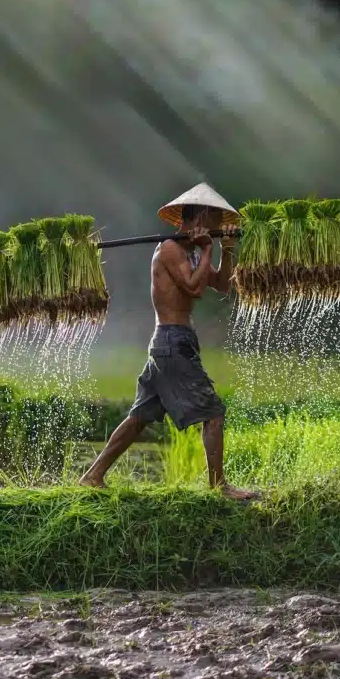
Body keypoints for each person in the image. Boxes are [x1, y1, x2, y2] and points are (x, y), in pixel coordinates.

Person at [80, 183, 260, 500]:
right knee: (214, 413)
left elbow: (220, 285)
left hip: (173, 342)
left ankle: (92, 475)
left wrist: (226, 249)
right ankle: (219, 487)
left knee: (139, 417)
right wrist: (207, 249)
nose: (220, 226)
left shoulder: (190, 250)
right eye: (217, 219)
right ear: (203, 215)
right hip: (171, 341)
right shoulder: (170, 249)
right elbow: (193, 287)